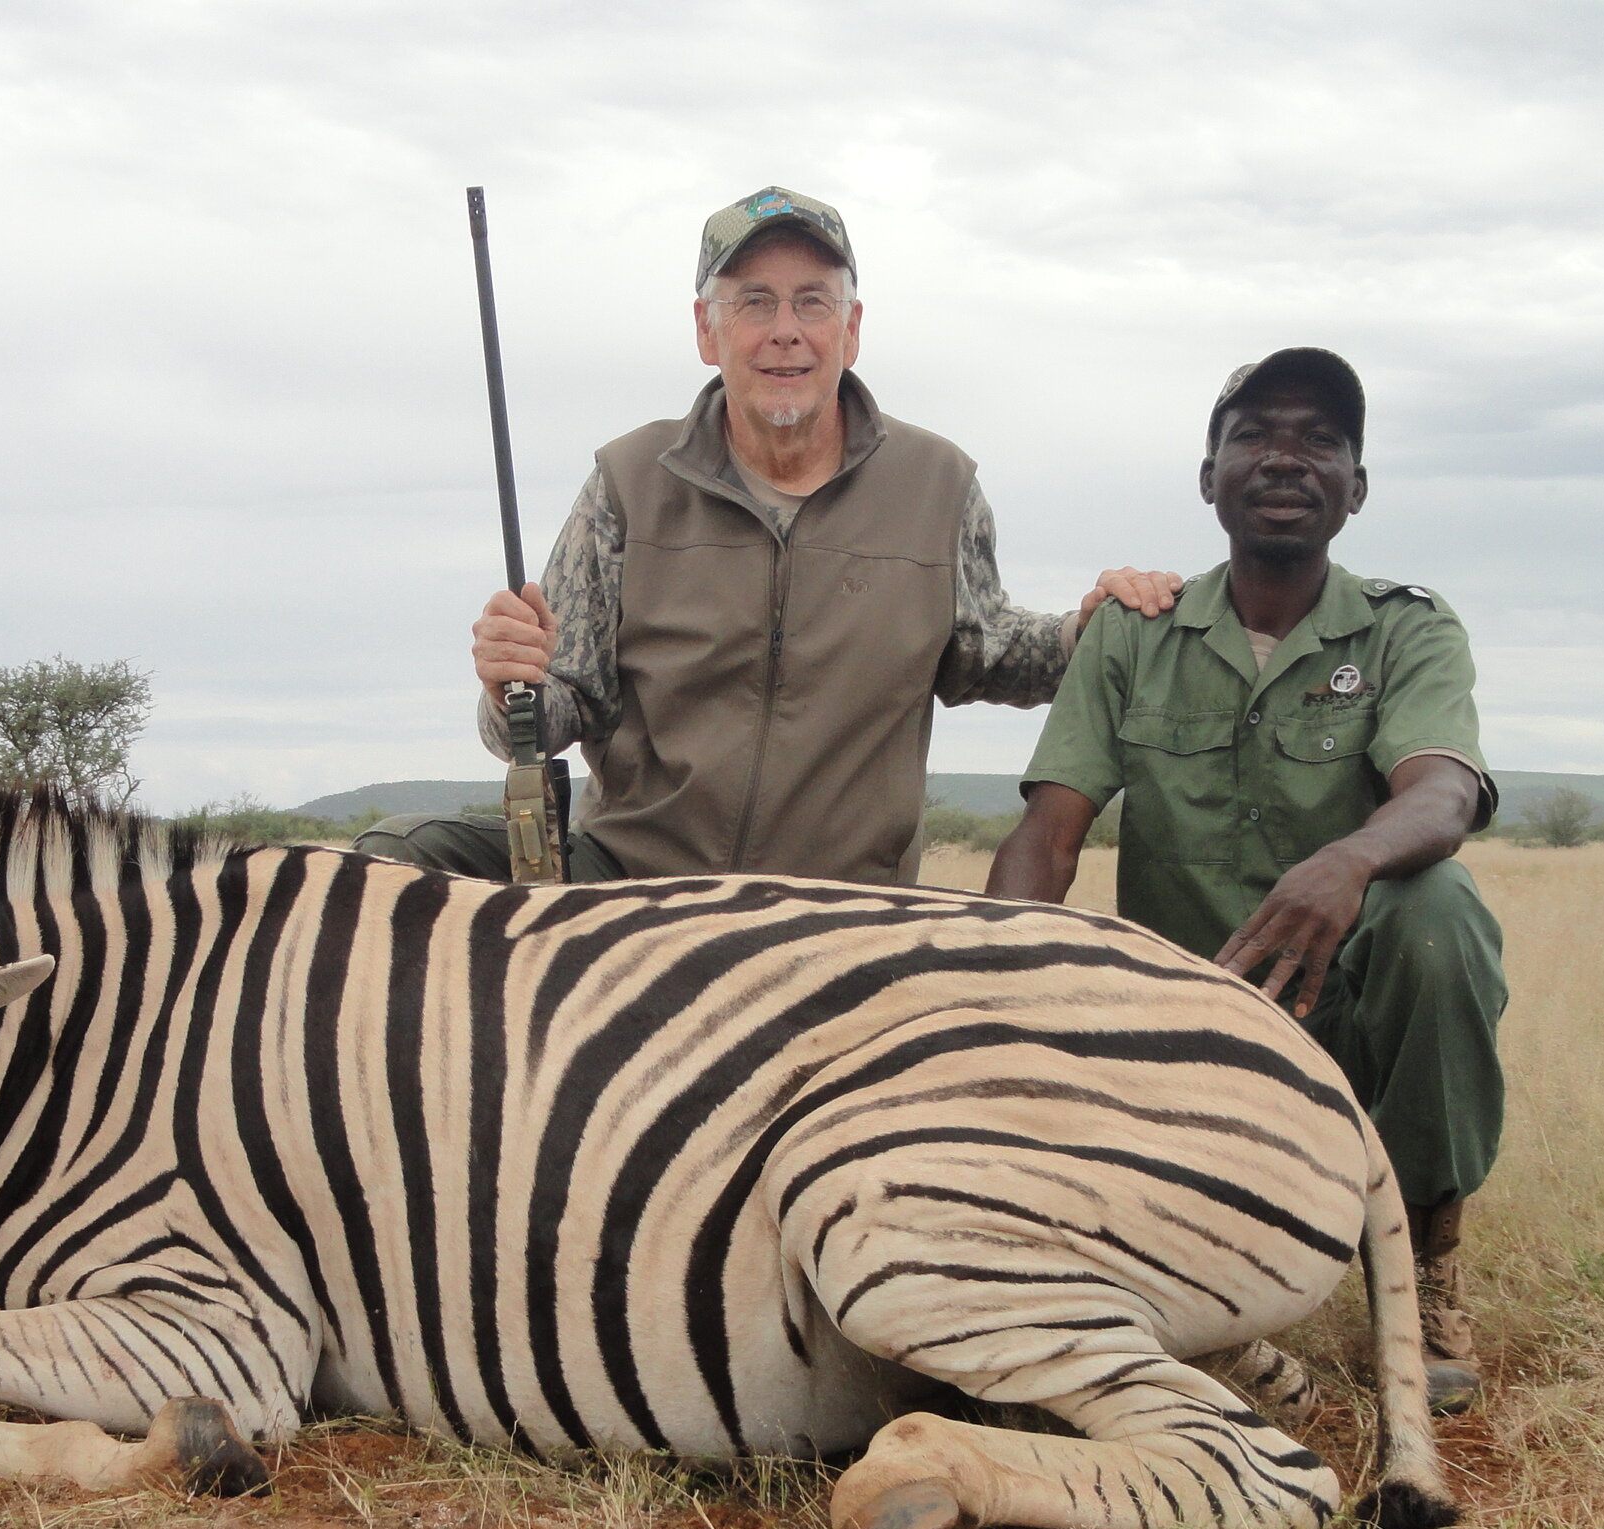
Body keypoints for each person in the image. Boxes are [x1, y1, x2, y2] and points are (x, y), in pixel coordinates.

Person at [356, 185, 1179, 885]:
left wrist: (1090, 624)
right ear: (707, 331)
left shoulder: (941, 485)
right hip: (638, 887)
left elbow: (987, 651)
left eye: (812, 301)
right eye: (753, 302)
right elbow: (556, 707)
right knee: (389, 858)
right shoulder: (626, 483)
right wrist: (510, 687)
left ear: (850, 328)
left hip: (841, 909)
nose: (785, 330)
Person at [986, 347, 1506, 1413]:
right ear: (1210, 476)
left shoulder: (1409, 627)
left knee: (1438, 914)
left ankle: (1424, 1259)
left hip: (1339, 1020)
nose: (1285, 459)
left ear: (1354, 489)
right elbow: (1050, 834)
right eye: (1255, 436)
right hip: (1181, 1031)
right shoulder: (1133, 630)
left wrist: (1347, 861)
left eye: (1320, 440)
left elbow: (1445, 795)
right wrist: (981, 986)